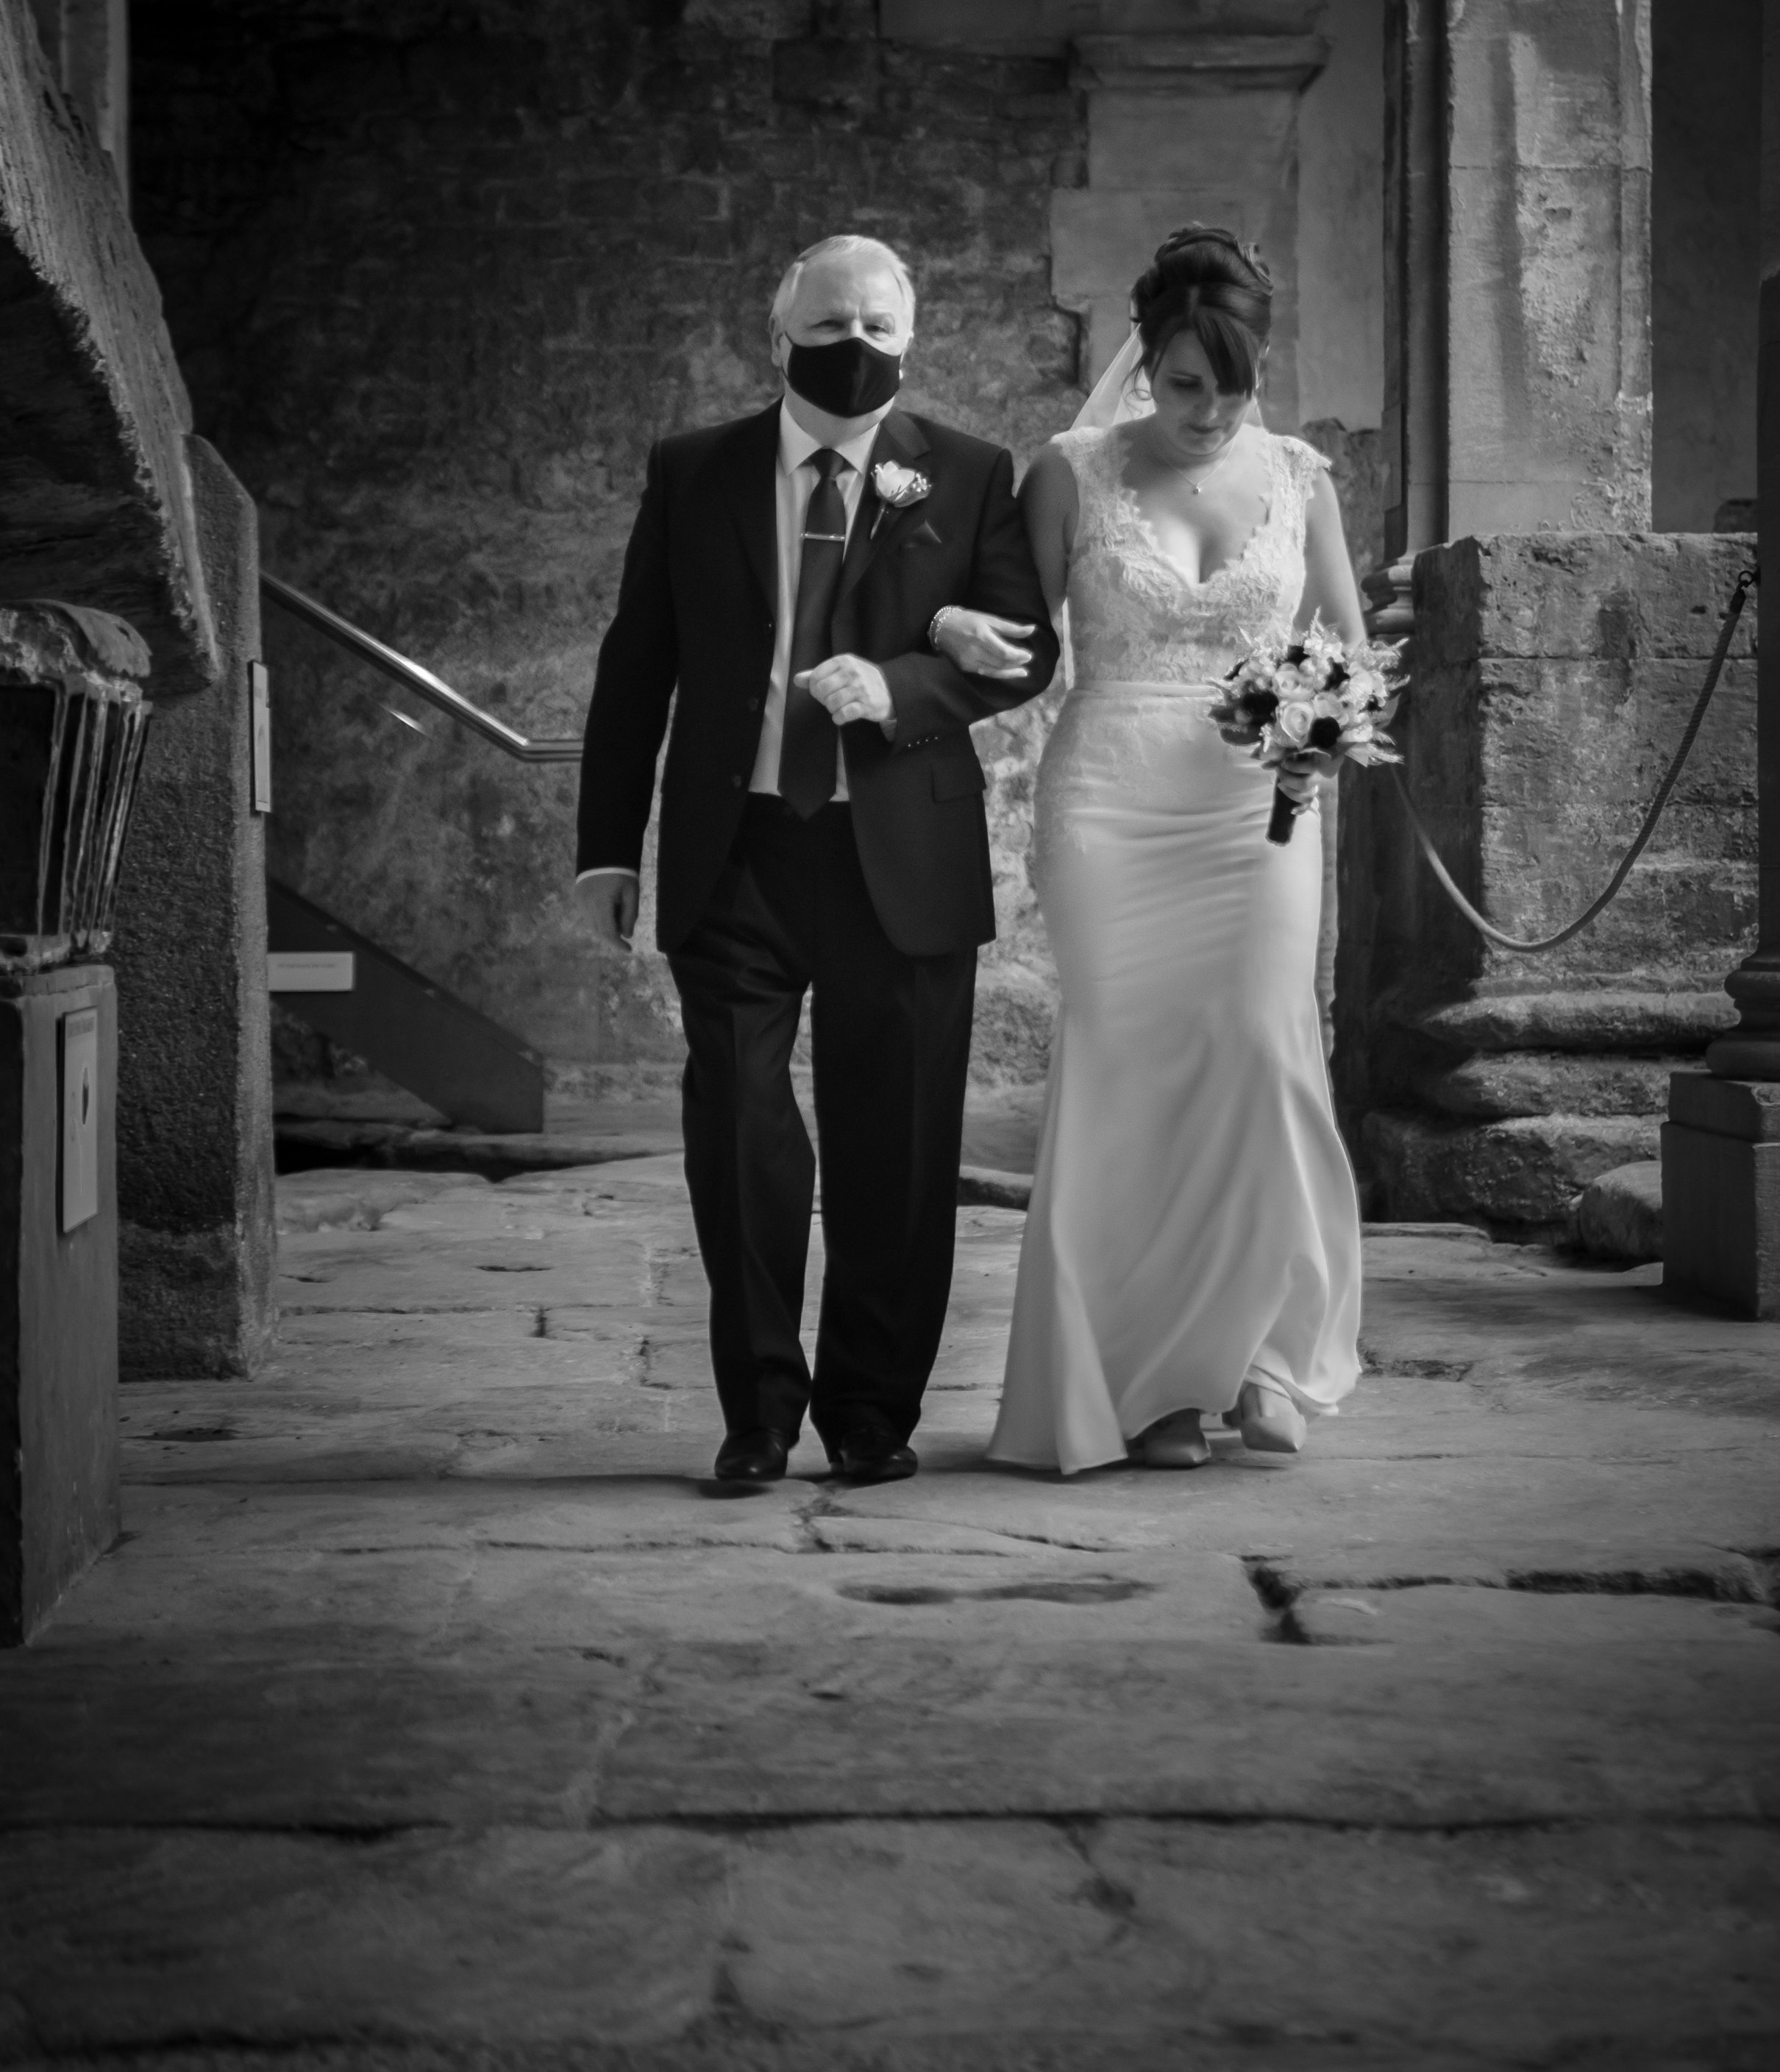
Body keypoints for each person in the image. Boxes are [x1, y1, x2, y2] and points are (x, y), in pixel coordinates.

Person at [575, 235, 1060, 1488]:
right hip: (734, 848)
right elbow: (637, 663)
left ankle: (870, 1412)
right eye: (835, 322)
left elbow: (1025, 648)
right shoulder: (695, 469)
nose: (860, 345)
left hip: (899, 851)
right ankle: (757, 1414)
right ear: (779, 335)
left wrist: (900, 684)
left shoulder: (968, 469)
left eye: (882, 325)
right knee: (738, 1132)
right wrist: (604, 849)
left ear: (913, 335)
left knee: (897, 1141)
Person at [931, 227, 1364, 1475]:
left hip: (1259, 808)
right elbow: (1022, 641)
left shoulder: (1301, 476)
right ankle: (1148, 1381)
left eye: (1233, 384)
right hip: (1111, 805)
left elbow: (1348, 645)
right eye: (1184, 383)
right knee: (1129, 1074)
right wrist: (950, 628)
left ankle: (1260, 1354)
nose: (1209, 410)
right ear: (1146, 360)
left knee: (1261, 1053)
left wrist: (1327, 736)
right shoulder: (1070, 471)